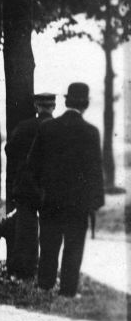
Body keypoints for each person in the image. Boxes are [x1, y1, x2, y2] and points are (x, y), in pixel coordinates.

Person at [26, 83, 104, 298]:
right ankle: (68, 291)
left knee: (49, 245)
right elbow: (95, 172)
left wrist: (41, 192)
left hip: (51, 201)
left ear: (67, 101)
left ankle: (45, 285)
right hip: (79, 204)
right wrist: (95, 202)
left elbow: (32, 165)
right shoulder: (91, 132)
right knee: (74, 247)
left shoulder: (47, 128)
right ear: (86, 104)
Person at [4, 92, 56, 279]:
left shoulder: (24, 126)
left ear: (36, 107)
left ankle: (25, 272)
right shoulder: (59, 128)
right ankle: (47, 272)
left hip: (27, 185)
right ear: (54, 107)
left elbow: (9, 150)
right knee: (50, 231)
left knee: (26, 231)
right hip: (51, 187)